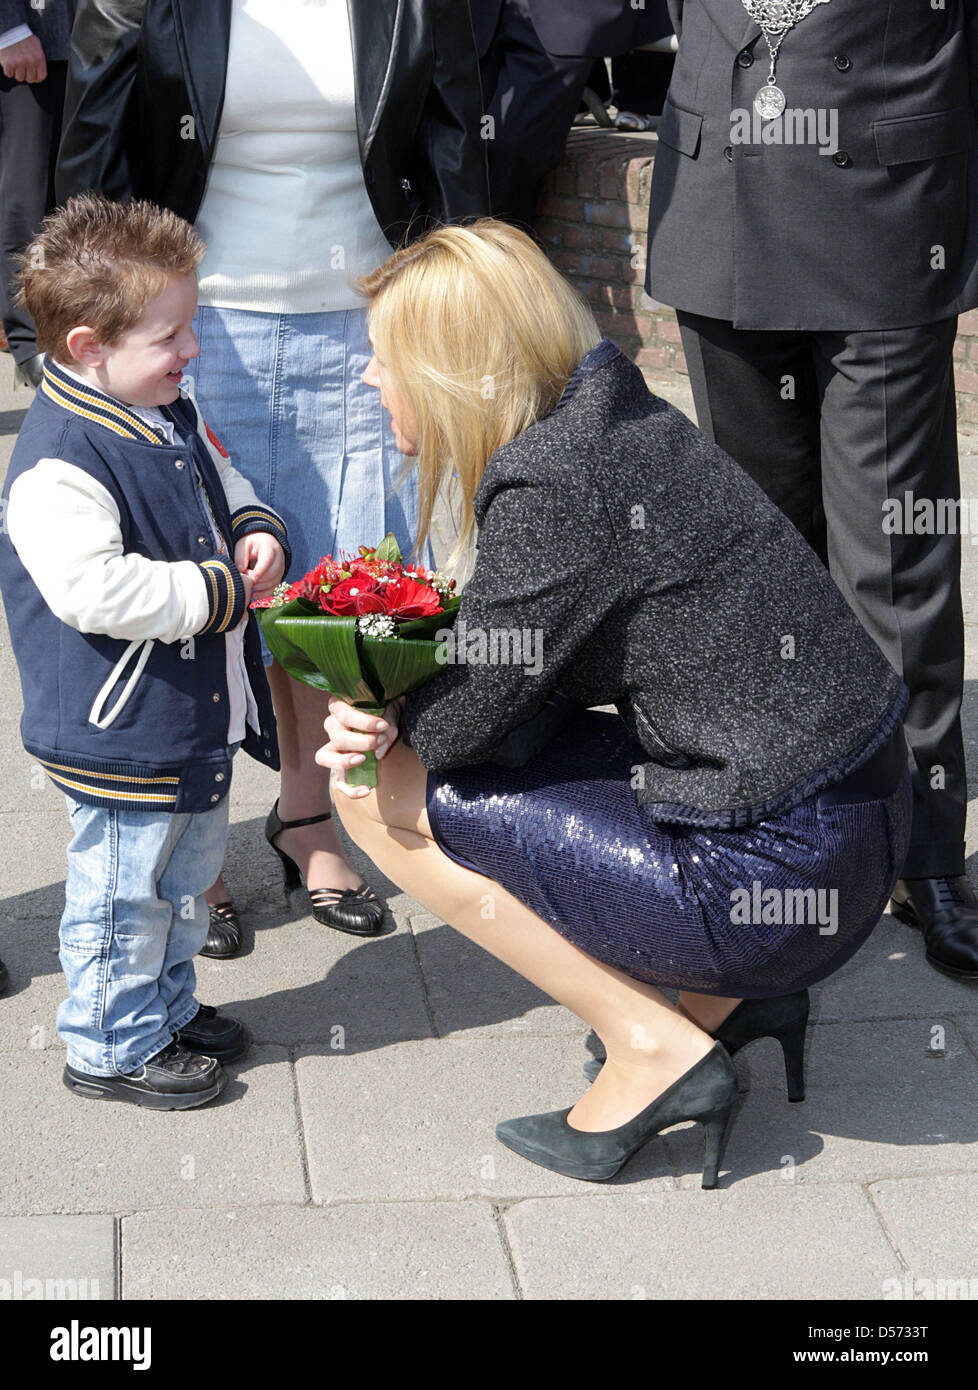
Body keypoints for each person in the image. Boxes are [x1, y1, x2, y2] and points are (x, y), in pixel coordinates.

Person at [315, 220, 912, 1186]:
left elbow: (463, 727)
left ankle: (651, 1047)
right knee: (421, 760)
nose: (372, 382)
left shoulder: (555, 481)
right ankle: (723, 1003)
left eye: (386, 361)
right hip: (850, 819)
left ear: (451, 371)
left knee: (374, 786)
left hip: (784, 868)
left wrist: (374, 707)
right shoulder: (612, 414)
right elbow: (532, 663)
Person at [56, 0, 490, 957]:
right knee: (208, 591)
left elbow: (453, 136)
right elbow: (93, 142)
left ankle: (308, 819)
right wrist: (92, 343)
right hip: (196, 329)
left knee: (336, 595)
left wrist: (462, 310)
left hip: (367, 323)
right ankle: (195, 850)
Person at [645, 0, 978, 980]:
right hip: (715, 212)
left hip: (882, 217)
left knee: (893, 564)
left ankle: (924, 854)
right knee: (757, 564)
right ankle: (787, 831)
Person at [0, 194, 290, 1108]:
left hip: (188, 713)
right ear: (90, 347)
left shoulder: (163, 406)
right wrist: (218, 592)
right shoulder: (59, 459)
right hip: (119, 724)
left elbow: (219, 470)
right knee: (123, 895)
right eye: (172, 334)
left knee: (184, 880)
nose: (192, 349)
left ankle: (161, 1008)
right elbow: (92, 588)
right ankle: (109, 1044)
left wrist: (249, 524)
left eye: (190, 325)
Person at [471, 0, 673, 227]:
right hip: (475, 14)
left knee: (507, 149)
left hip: (564, 15)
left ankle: (495, 255)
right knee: (458, 147)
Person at [0, 0, 76, 386]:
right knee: (29, 200)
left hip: (102, 39)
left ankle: (71, 335)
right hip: (34, 40)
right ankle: (32, 342)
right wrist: (7, 29)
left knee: (85, 198)